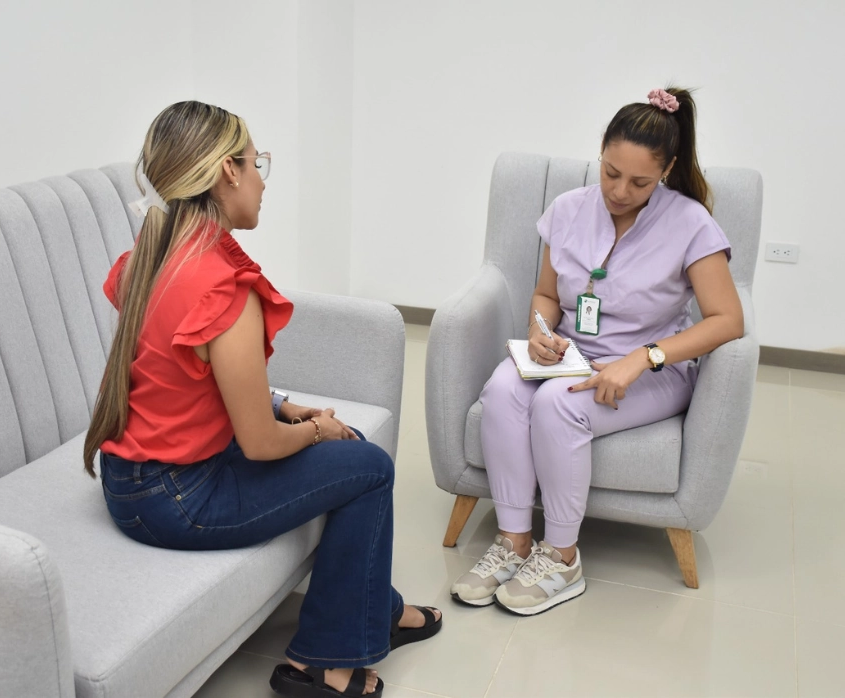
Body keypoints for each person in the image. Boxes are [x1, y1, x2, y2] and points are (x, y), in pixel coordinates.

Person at [82, 101, 441, 698]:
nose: (261, 181)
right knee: (369, 467)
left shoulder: (149, 257)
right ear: (227, 172)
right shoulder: (223, 289)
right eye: (257, 164)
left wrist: (280, 404)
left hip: (127, 482)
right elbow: (260, 445)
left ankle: (376, 612)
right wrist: (316, 431)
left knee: (351, 462)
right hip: (180, 498)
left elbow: (178, 376)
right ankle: (325, 667)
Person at [450, 87, 743, 616]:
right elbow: (545, 293)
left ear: (667, 170)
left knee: (557, 405)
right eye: (610, 172)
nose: (619, 190)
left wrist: (642, 358)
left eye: (639, 181)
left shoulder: (691, 223)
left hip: (653, 370)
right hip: (574, 356)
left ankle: (562, 558)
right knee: (501, 388)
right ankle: (514, 541)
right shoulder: (567, 209)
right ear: (601, 152)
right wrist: (542, 328)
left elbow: (728, 320)